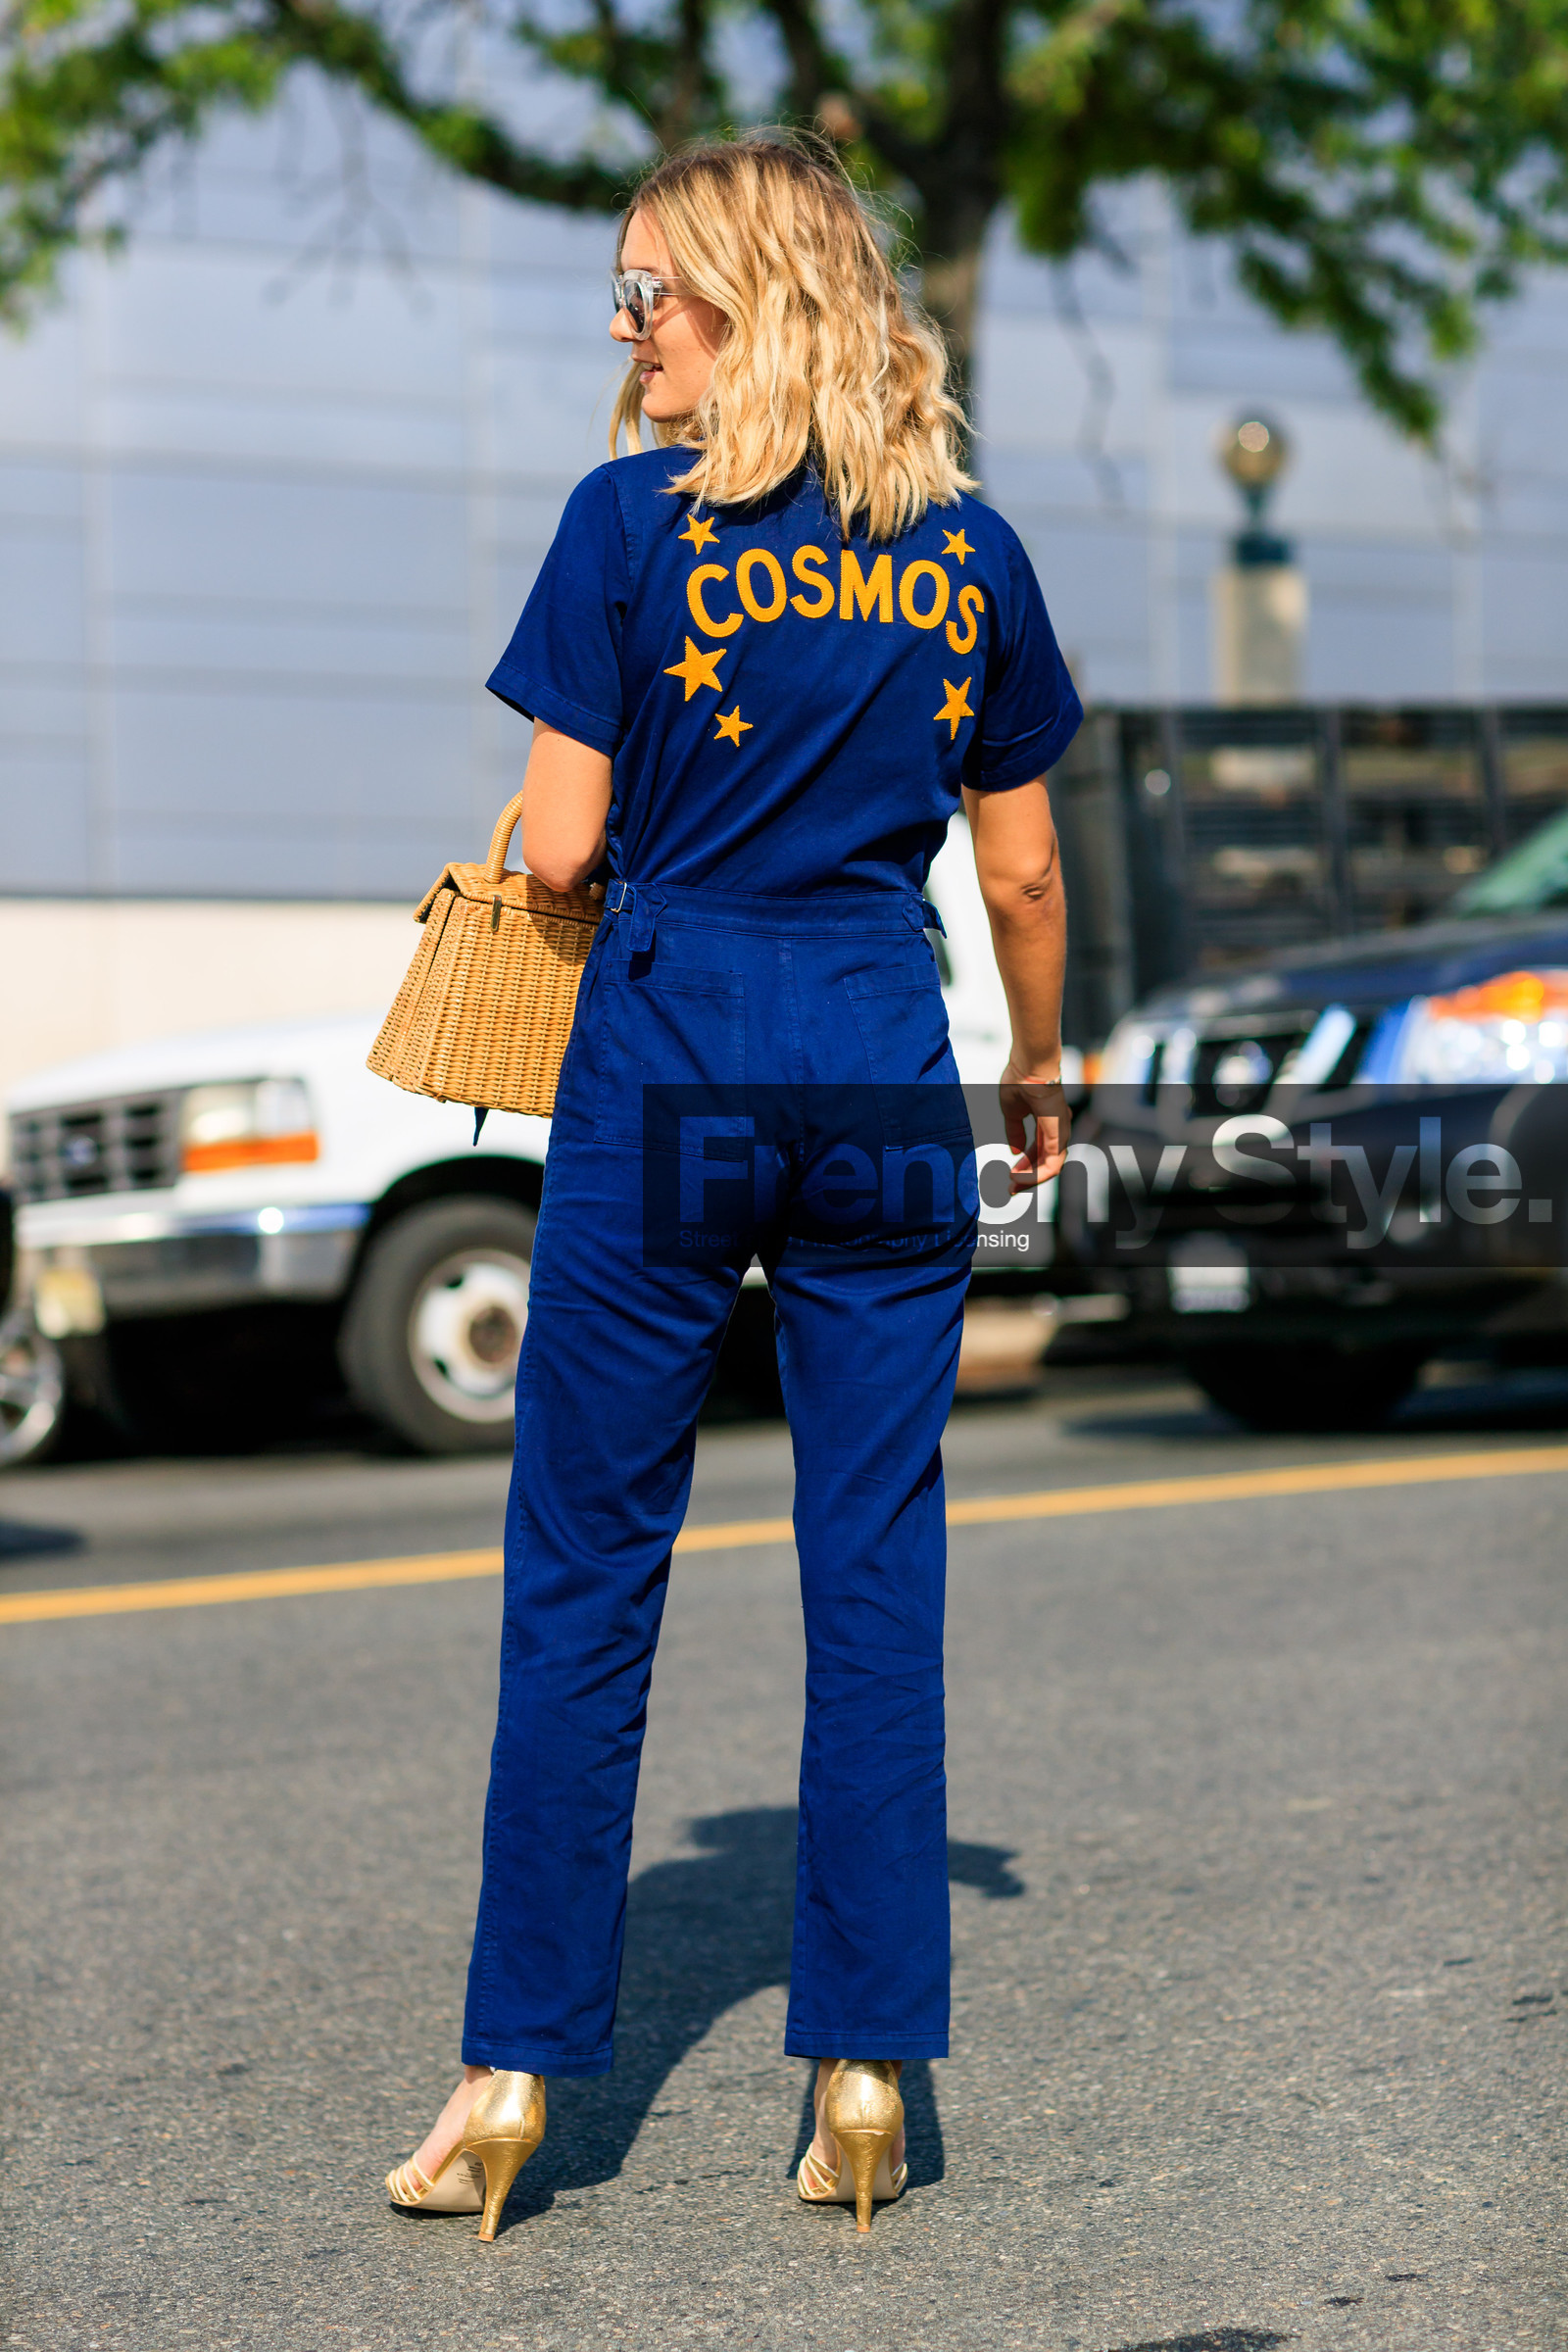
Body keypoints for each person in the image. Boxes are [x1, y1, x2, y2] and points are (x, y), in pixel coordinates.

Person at [385, 129, 1080, 2242]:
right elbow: (1026, 866)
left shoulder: (623, 533)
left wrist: (538, 830)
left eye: (645, 295)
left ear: (747, 300)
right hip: (874, 1050)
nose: (622, 332)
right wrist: (1040, 1071)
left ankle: (512, 2081)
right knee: (872, 1561)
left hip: (674, 1043)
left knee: (587, 1566)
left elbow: (564, 854)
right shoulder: (961, 552)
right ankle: (863, 2072)